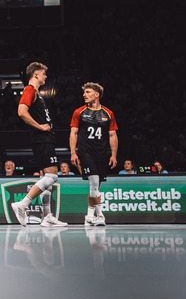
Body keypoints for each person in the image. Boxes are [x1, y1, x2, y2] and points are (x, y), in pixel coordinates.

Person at [9, 63, 66, 227]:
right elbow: (21, 112)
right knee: (52, 176)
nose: (45, 77)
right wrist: (40, 126)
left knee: (47, 180)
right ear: (35, 75)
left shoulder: (37, 93)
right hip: (41, 138)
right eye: (43, 74)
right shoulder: (29, 90)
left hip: (45, 138)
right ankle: (23, 204)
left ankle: (47, 216)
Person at [68, 82, 118, 228]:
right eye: (84, 92)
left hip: (101, 153)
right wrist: (73, 152)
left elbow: (112, 135)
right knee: (94, 182)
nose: (84, 94)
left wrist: (113, 155)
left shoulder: (108, 113)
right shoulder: (79, 112)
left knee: (94, 186)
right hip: (85, 152)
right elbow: (74, 133)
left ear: (97, 94)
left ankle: (89, 216)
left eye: (88, 92)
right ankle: (100, 216)